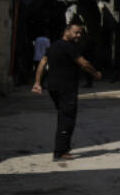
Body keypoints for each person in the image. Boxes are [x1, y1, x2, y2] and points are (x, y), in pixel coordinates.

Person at [32, 22, 101, 161]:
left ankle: (63, 147)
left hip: (54, 87)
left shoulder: (54, 45)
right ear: (67, 32)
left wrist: (38, 82)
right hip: (66, 88)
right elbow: (84, 63)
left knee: (63, 115)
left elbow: (42, 63)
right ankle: (60, 151)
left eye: (80, 33)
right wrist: (95, 74)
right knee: (67, 118)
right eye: (76, 32)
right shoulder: (70, 47)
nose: (79, 35)